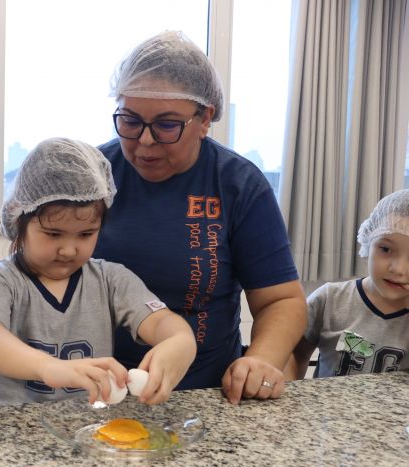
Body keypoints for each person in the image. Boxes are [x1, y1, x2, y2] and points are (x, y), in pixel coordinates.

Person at [92, 30, 307, 404]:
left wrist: (259, 361)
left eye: (166, 125)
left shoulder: (237, 185)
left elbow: (281, 300)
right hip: (95, 388)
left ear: (205, 118)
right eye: (130, 121)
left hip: (205, 394)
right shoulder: (93, 175)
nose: (145, 140)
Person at [0, 137, 197, 406]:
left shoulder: (111, 280)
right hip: (12, 422)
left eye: (86, 234)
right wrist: (47, 367)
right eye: (53, 234)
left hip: (86, 424)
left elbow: (159, 322)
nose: (68, 250)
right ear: (19, 222)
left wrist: (180, 341)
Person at [285, 189, 409, 380]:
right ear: (369, 241)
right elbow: (292, 355)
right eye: (385, 249)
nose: (398, 269)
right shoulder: (330, 300)